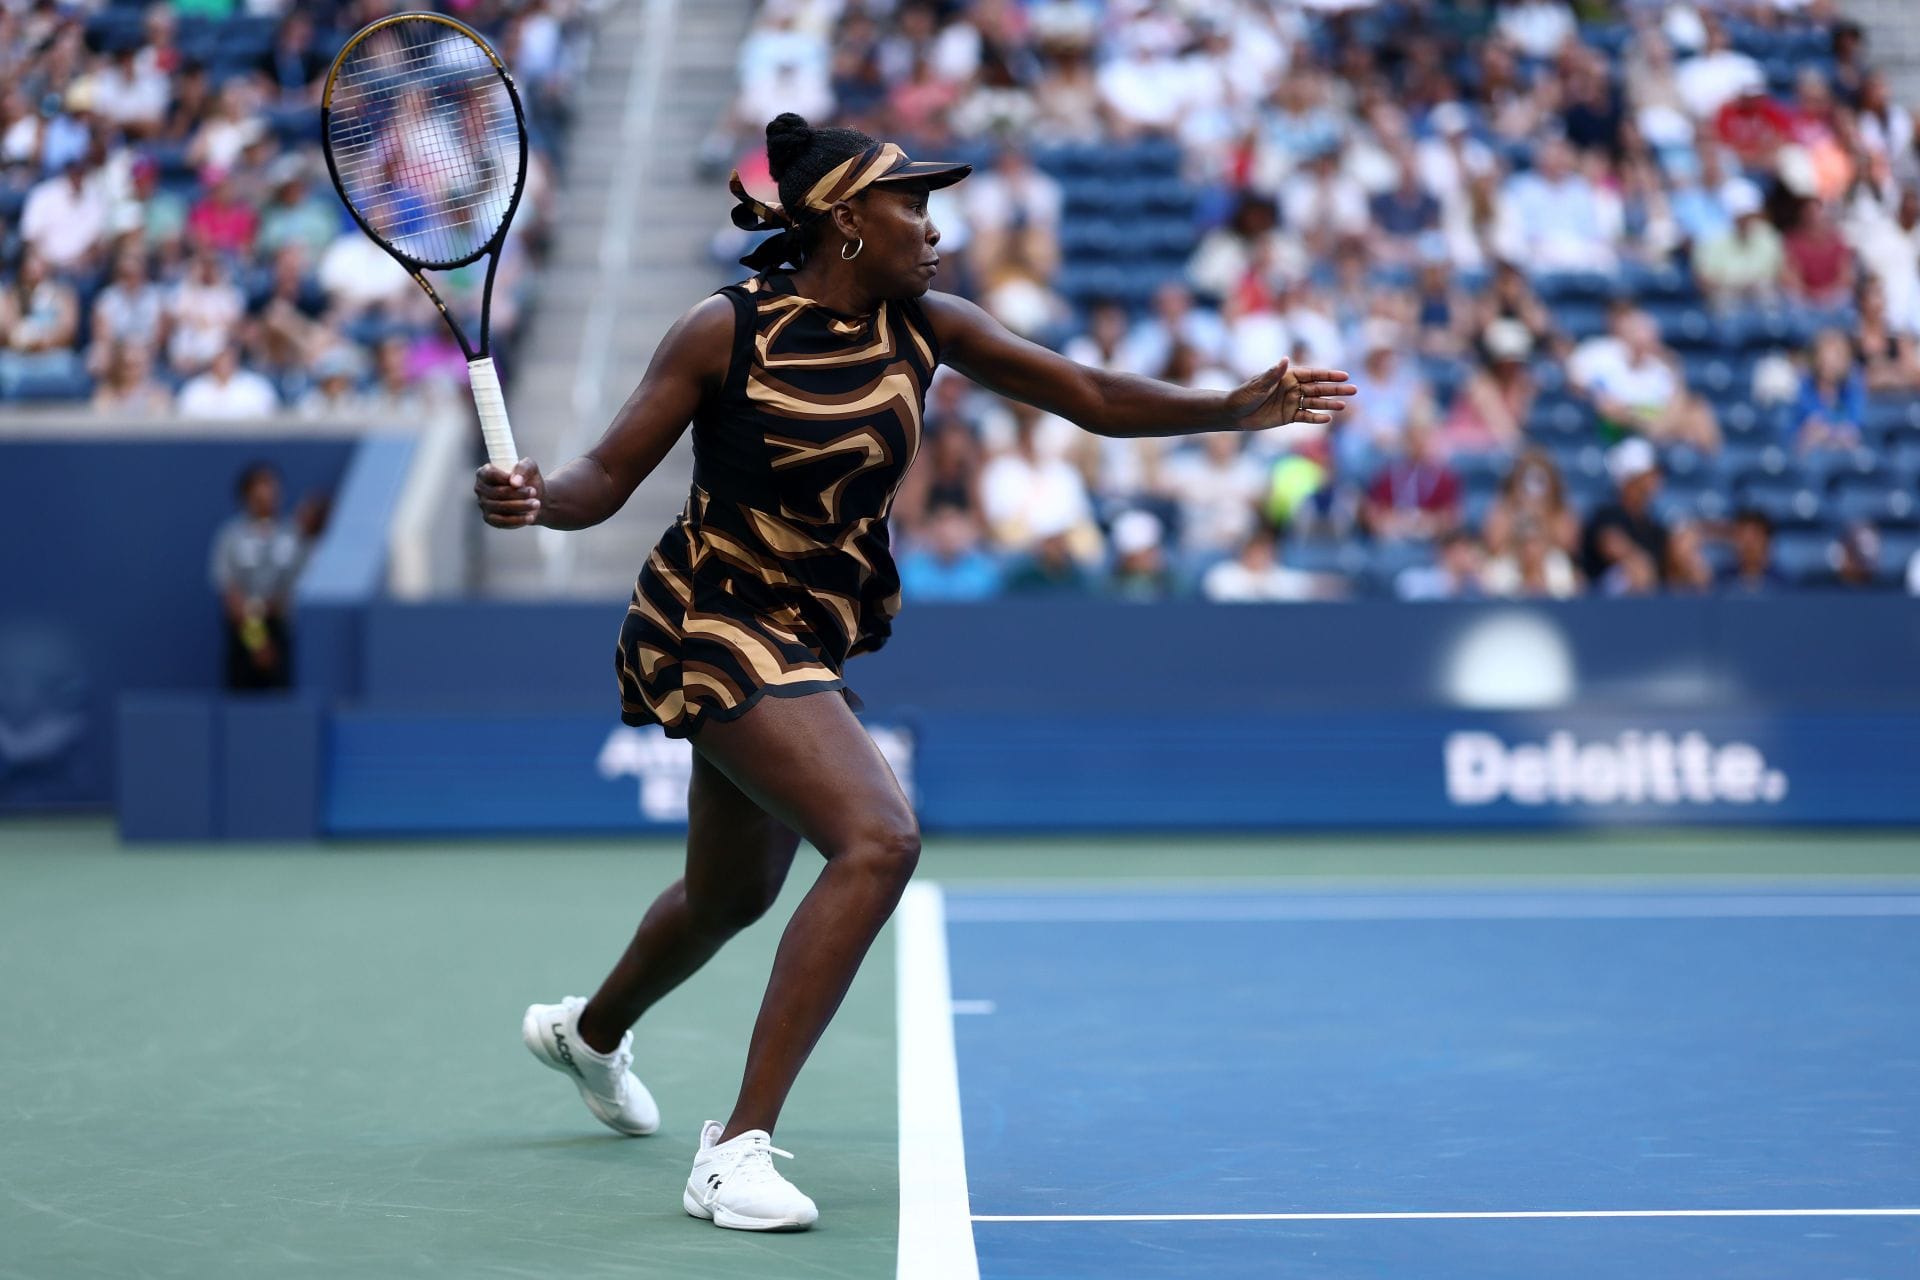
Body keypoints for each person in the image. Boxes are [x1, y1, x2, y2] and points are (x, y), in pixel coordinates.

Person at [474, 113, 1353, 1233]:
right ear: (847, 219)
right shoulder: (723, 330)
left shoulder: (925, 323)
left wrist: (1233, 408)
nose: (933, 230)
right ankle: (733, 1150)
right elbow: (601, 479)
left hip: (809, 629)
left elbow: (1087, 395)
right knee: (879, 837)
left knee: (732, 894)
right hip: (712, 616)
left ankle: (588, 1033)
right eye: (913, 207)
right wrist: (535, 496)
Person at [209, 462, 310, 690]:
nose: (268, 497)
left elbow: (296, 588)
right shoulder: (231, 537)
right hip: (245, 634)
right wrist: (257, 642)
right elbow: (232, 597)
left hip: (283, 632)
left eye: (272, 489)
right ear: (247, 496)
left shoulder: (293, 535)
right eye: (260, 491)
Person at [1580, 437, 1668, 593]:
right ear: (1629, 481)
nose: (1654, 481)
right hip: (1602, 599)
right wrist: (1636, 560)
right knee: (1632, 572)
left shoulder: (1652, 523)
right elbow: (1610, 543)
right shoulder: (1606, 515)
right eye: (1647, 475)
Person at [1720, 508, 1782, 593]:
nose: (1748, 545)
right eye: (1742, 537)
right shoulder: (1720, 582)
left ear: (1767, 541)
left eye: (1755, 537)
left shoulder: (1784, 585)